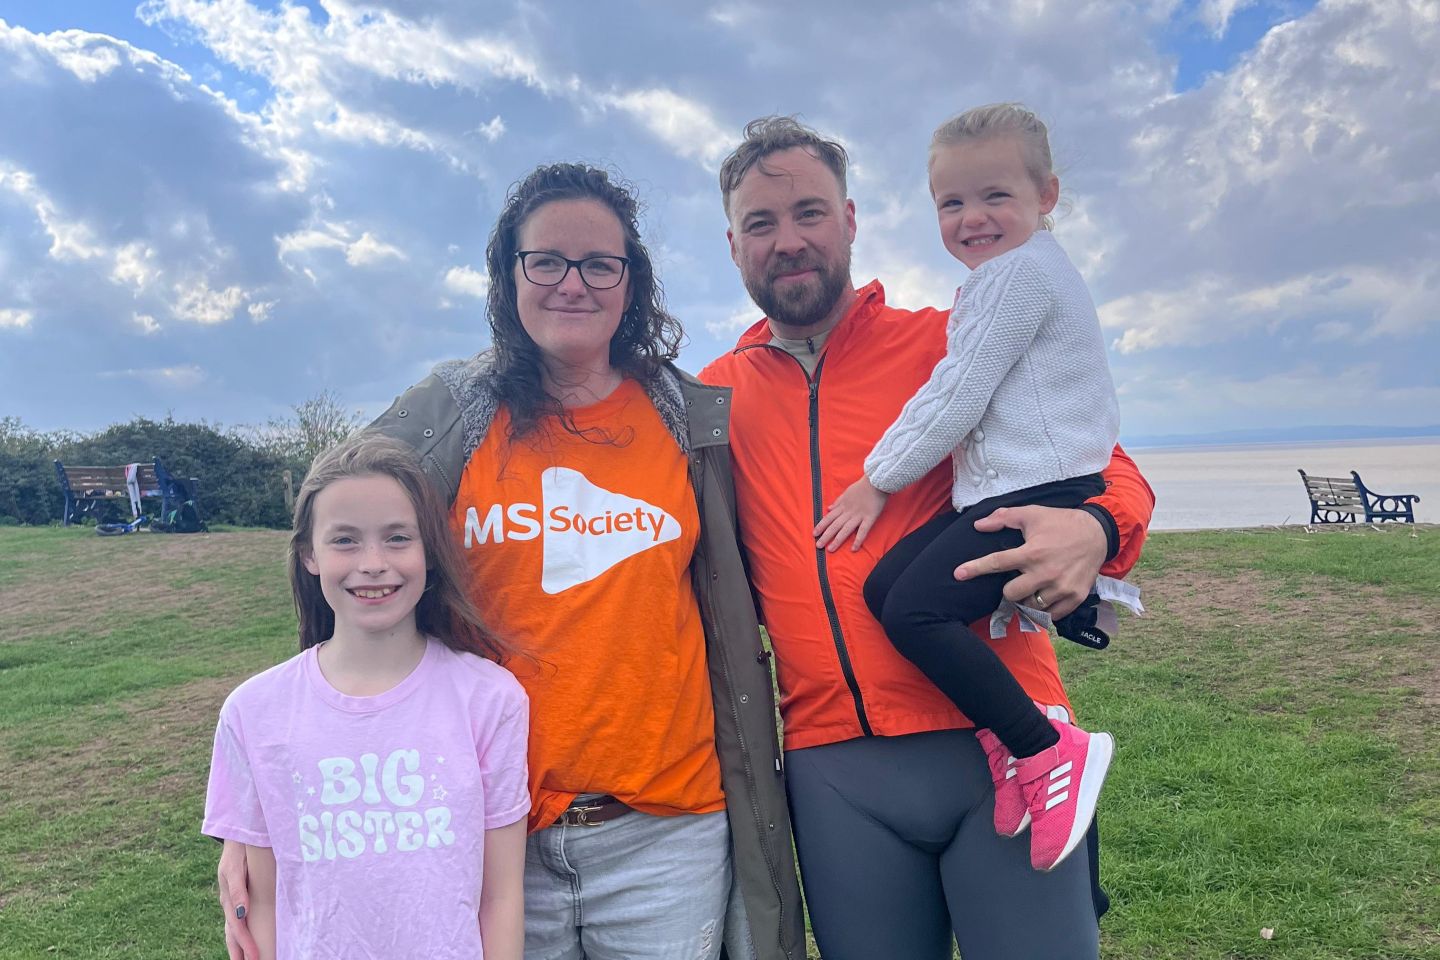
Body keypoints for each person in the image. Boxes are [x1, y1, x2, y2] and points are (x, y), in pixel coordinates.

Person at [216, 163, 803, 960]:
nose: (573, 284)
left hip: (667, 831)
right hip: (486, 838)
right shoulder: (449, 414)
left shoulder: (686, 419)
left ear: (631, 283)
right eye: (546, 261)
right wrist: (255, 824)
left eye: (600, 264)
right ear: (508, 275)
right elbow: (340, 530)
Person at [701, 116, 1155, 960]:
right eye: (761, 223)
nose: (788, 240)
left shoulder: (945, 339)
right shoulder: (712, 402)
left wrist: (1097, 528)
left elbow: (1108, 466)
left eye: (809, 212)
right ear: (734, 245)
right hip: (833, 768)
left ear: (850, 221)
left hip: (1002, 742)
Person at [811, 103, 1121, 874]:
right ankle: (1010, 743)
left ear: (1047, 195)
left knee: (916, 611)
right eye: (952, 202)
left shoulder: (1019, 275)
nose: (971, 218)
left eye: (995, 196)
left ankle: (1045, 748)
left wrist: (877, 482)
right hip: (1013, 489)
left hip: (1039, 493)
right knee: (886, 589)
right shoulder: (1011, 276)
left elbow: (958, 394)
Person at [203, 434, 529, 960]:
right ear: (309, 554)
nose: (374, 562)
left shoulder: (491, 700)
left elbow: (501, 898)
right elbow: (263, 904)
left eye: (398, 537)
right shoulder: (253, 712)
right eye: (345, 540)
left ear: (429, 550)